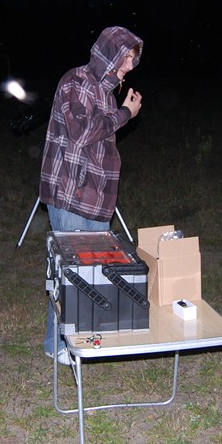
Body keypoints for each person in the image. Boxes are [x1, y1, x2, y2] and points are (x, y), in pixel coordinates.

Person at [40, 25, 144, 365]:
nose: (128, 66)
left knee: (92, 271)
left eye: (132, 60)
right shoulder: (77, 81)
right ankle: (56, 344)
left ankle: (82, 336)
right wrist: (125, 114)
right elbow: (82, 133)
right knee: (69, 272)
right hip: (72, 194)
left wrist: (120, 110)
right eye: (124, 58)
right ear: (107, 54)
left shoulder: (105, 92)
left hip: (96, 198)